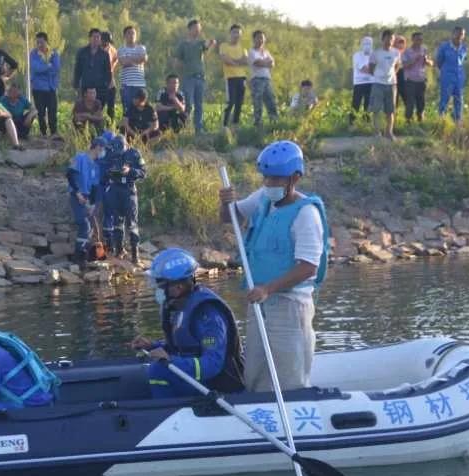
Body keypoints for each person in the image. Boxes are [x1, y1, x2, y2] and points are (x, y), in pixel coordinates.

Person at [219, 141, 329, 392]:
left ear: (295, 178)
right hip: (260, 302)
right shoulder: (263, 199)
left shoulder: (306, 215)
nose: (269, 184)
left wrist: (268, 288)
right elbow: (230, 217)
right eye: (266, 177)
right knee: (256, 370)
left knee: (289, 375)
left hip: (290, 305)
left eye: (276, 179)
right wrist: (225, 202)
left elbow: (308, 267)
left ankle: (294, 415)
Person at [130, 248, 245, 398]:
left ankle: (165, 414)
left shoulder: (208, 316)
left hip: (217, 386)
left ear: (178, 287)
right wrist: (152, 346)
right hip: (198, 379)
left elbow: (212, 364)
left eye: (161, 287)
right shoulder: (180, 308)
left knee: (158, 371)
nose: (158, 291)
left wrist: (171, 361)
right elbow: (186, 348)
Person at [103, 135, 146, 263]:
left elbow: (143, 172)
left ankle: (135, 254)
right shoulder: (111, 153)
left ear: (126, 145)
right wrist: (111, 172)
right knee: (117, 222)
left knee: (132, 223)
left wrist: (130, 171)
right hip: (115, 189)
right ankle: (119, 250)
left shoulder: (134, 154)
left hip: (129, 190)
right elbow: (105, 170)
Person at [67, 137, 107, 267]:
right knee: (84, 225)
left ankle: (91, 255)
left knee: (92, 227)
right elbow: (70, 175)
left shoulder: (96, 165)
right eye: (103, 148)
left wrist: (93, 204)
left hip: (88, 198)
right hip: (77, 195)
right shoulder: (80, 158)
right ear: (98, 147)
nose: (103, 152)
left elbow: (95, 187)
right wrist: (77, 193)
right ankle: (79, 256)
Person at [175, 20, 216, 133]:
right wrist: (184, 70)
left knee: (199, 105)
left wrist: (211, 43)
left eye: (199, 28)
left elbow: (207, 46)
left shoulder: (200, 43)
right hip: (188, 78)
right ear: (190, 29)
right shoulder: (183, 44)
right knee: (188, 104)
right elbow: (177, 62)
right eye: (195, 28)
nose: (198, 31)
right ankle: (184, 127)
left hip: (200, 78)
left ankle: (199, 128)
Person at [368, 29, 400, 140]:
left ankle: (389, 132)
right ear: (382, 39)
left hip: (391, 84)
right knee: (376, 110)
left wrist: (390, 76)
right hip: (378, 84)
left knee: (390, 110)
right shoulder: (376, 53)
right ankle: (377, 132)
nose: (389, 41)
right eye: (387, 38)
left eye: (391, 39)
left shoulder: (396, 52)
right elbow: (371, 68)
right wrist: (378, 76)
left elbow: (397, 66)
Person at [29, 32, 60, 137]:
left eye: (41, 42)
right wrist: (48, 66)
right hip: (38, 88)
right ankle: (43, 133)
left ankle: (54, 132)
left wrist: (45, 67)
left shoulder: (54, 53)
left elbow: (56, 68)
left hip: (51, 87)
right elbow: (36, 68)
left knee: (52, 111)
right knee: (40, 112)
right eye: (37, 42)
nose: (39, 45)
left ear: (46, 42)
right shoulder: (33, 54)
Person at [73, 29, 112, 109]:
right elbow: (77, 70)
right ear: (89, 38)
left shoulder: (104, 54)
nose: (96, 39)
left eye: (98, 37)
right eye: (94, 37)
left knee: (98, 110)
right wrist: (76, 85)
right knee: (83, 109)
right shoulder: (82, 52)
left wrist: (106, 84)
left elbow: (108, 71)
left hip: (100, 88)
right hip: (85, 87)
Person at [436, 27, 467, 123]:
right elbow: (439, 61)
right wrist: (445, 72)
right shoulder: (444, 46)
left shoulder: (464, 47)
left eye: (461, 34)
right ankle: (442, 121)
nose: (459, 36)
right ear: (452, 34)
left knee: (459, 100)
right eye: (457, 33)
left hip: (459, 77)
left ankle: (458, 121)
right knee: (444, 99)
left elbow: (463, 61)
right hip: (447, 77)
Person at [219, 24, 248, 128]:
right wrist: (237, 62)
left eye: (238, 33)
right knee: (230, 102)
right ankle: (225, 125)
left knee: (239, 103)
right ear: (230, 33)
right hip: (230, 78)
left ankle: (235, 125)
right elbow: (225, 60)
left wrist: (233, 61)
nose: (236, 35)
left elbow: (245, 61)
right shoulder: (224, 46)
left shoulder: (243, 48)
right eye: (234, 32)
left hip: (242, 78)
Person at [401, 32, 433, 122]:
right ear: (413, 40)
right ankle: (408, 120)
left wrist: (427, 61)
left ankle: (420, 119)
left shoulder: (424, 50)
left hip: (421, 79)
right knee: (410, 102)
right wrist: (414, 59)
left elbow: (431, 63)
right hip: (410, 80)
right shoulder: (407, 52)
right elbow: (404, 65)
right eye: (418, 39)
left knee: (421, 102)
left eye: (421, 39)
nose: (420, 41)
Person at [249, 30, 278, 127]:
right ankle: (258, 124)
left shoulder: (266, 52)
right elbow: (257, 63)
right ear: (254, 39)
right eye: (258, 37)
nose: (260, 40)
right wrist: (266, 62)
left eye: (262, 38)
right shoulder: (252, 51)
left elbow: (272, 64)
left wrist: (264, 62)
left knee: (271, 100)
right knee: (258, 103)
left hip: (267, 79)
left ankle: (274, 122)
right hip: (257, 80)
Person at [117, 26, 147, 114]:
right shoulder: (121, 49)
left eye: (133, 33)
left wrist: (130, 58)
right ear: (124, 36)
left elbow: (144, 59)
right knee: (127, 109)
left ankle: (140, 127)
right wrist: (137, 59)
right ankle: (127, 127)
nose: (131, 35)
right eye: (129, 33)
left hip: (140, 84)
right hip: (127, 85)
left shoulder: (141, 48)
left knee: (141, 108)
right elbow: (124, 62)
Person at [350, 36, 374, 124]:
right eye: (365, 44)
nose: (367, 46)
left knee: (368, 104)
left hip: (371, 82)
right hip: (359, 82)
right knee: (356, 103)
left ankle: (366, 122)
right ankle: (352, 122)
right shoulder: (357, 55)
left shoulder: (374, 55)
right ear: (361, 45)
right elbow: (364, 69)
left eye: (369, 44)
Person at [101, 31, 118, 122]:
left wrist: (110, 68)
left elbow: (115, 60)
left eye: (107, 41)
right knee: (98, 107)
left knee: (111, 108)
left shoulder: (112, 49)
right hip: (99, 84)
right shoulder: (96, 50)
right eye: (104, 40)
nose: (106, 43)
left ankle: (110, 127)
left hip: (110, 83)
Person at [393, 34, 407, 110]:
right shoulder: (391, 52)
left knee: (406, 96)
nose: (401, 44)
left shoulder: (407, 53)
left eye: (403, 42)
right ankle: (394, 116)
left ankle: (409, 116)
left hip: (404, 75)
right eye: (399, 42)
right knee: (395, 97)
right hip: (394, 75)